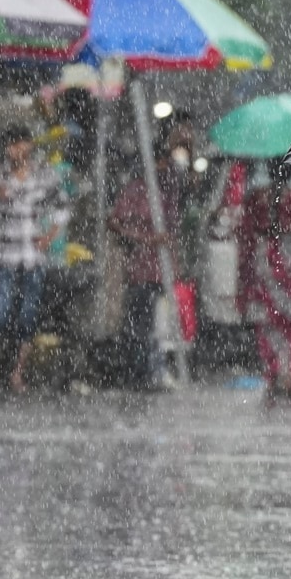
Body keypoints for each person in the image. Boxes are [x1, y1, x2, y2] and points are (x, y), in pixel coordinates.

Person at [0, 126, 69, 394]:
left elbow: (63, 206)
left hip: (32, 256)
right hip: (4, 254)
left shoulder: (44, 174)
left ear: (29, 146)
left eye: (21, 144)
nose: (17, 150)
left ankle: (17, 373)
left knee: (27, 316)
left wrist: (49, 237)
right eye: (12, 145)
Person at [110, 124, 191, 390]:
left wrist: (182, 143)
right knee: (141, 325)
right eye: (160, 162)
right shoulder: (136, 190)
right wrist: (145, 239)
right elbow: (115, 222)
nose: (163, 168)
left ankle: (158, 370)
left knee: (161, 324)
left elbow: (185, 176)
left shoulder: (170, 188)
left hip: (164, 270)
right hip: (141, 269)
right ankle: (143, 373)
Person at [237, 159, 291, 395]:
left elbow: (245, 236)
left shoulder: (256, 198)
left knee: (269, 325)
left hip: (263, 266)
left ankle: (275, 373)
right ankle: (290, 375)